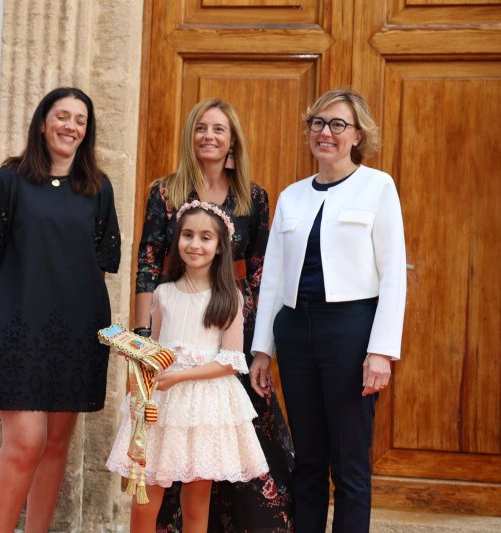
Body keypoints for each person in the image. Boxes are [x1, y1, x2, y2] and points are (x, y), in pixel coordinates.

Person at [0, 87, 120, 533]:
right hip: (15, 329)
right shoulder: (8, 182)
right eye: (62, 116)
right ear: (42, 121)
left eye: (80, 120)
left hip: (76, 332)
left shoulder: (97, 188)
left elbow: (99, 264)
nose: (70, 126)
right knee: (26, 442)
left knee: (54, 445)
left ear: (87, 132)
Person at [250, 88, 406, 533]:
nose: (326, 133)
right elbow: (274, 280)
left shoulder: (378, 187)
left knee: (350, 464)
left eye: (338, 125)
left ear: (357, 135)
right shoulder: (291, 196)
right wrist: (263, 350)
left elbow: (393, 273)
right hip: (297, 333)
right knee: (309, 460)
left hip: (351, 332)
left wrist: (381, 351)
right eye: (318, 123)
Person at [134, 98, 294, 531]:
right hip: (176, 319)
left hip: (227, 321)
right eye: (201, 127)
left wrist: (256, 345)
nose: (209, 135)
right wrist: (143, 339)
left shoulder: (253, 196)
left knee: (235, 442)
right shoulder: (165, 191)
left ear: (232, 141)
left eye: (219, 129)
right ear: (191, 135)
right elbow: (148, 263)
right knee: (170, 448)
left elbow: (262, 271)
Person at [108, 201, 269, 533]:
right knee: (144, 498)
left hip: (205, 407)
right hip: (161, 406)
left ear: (220, 247)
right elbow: (155, 346)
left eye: (206, 238)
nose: (195, 244)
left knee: (196, 504)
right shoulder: (163, 294)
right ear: (177, 240)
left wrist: (183, 375)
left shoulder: (228, 298)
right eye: (188, 235)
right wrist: (139, 356)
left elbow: (231, 360)